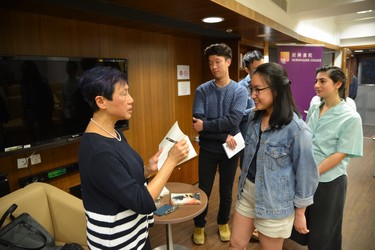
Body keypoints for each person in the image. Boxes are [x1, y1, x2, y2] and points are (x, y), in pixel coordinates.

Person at [78, 66, 189, 249]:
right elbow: (142, 202)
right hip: (117, 244)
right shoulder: (98, 152)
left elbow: (120, 180)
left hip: (136, 234)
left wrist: (147, 170)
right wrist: (171, 161)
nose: (131, 100)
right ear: (101, 101)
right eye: (124, 94)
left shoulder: (113, 133)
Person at [229, 62, 319, 250]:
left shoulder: (297, 130)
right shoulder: (255, 117)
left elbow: (306, 174)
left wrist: (300, 212)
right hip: (248, 191)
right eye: (251, 89)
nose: (252, 95)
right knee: (236, 244)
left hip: (275, 200)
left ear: (277, 90)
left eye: (258, 90)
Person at [192, 43, 247, 245]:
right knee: (203, 189)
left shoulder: (240, 92)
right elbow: (197, 123)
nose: (214, 66)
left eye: (218, 62)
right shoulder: (202, 91)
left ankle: (223, 222)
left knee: (226, 190)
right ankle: (199, 225)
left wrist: (207, 127)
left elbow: (233, 121)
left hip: (231, 149)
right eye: (210, 63)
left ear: (228, 62)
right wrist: (222, 135)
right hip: (208, 148)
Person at [302, 66, 363, 250]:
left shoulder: (350, 117)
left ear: (338, 84)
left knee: (324, 233)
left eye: (322, 81)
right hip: (306, 176)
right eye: (316, 81)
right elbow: (305, 137)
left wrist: (312, 172)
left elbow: (340, 153)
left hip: (329, 181)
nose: (316, 85)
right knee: (306, 226)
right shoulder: (315, 107)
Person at [238, 50, 264, 167]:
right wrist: (254, 109)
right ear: (247, 70)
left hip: (265, 137)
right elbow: (237, 115)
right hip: (247, 139)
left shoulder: (268, 83)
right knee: (247, 172)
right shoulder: (240, 88)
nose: (261, 72)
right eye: (256, 70)